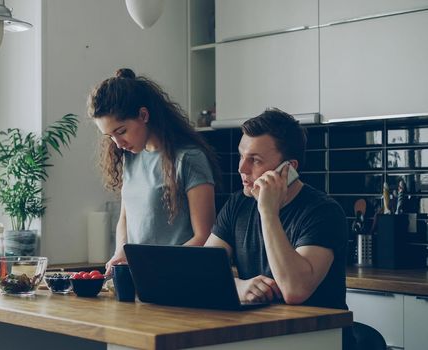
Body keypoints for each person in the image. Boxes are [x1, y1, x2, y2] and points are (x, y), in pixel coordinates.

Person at [205, 108, 348, 309]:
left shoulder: (324, 212)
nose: (241, 169)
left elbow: (295, 290)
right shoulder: (237, 204)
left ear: (288, 169)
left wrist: (268, 212)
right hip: (261, 331)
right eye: (241, 156)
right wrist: (239, 287)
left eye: (255, 160)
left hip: (317, 336)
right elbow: (204, 273)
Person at [88, 68, 220, 274]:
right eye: (110, 136)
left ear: (143, 115)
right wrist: (121, 252)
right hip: (143, 278)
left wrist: (154, 265)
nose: (118, 143)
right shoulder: (130, 158)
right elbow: (125, 216)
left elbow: (205, 237)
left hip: (179, 277)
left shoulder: (189, 159)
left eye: (121, 131)